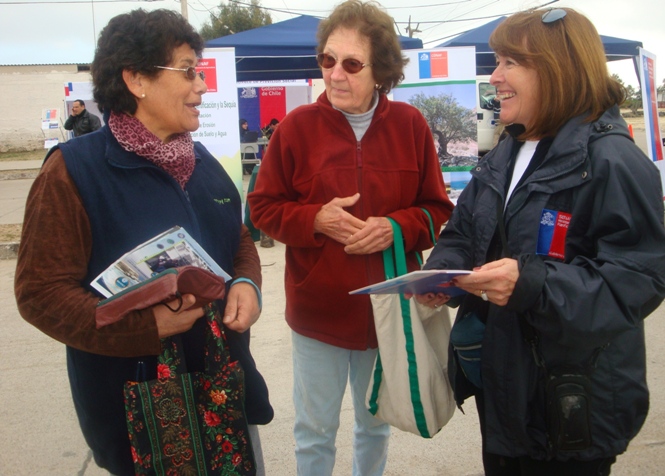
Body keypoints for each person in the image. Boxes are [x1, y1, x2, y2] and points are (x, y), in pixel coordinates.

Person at [14, 9, 273, 476]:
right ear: (136, 80)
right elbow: (40, 293)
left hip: (225, 392)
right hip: (138, 414)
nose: (202, 86)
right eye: (189, 71)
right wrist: (144, 328)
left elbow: (237, 242)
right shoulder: (73, 171)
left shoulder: (202, 160)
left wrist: (246, 284)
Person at [415, 8, 665, 475]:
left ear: (557, 68)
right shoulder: (506, 150)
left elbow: (639, 278)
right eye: (497, 60)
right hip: (505, 388)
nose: (495, 75)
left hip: (572, 400)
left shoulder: (612, 160)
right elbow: (465, 230)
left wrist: (530, 283)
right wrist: (444, 272)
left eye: (511, 61)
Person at [248, 1, 453, 474]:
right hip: (318, 314)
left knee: (375, 426)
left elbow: (438, 209)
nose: (335, 74)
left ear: (380, 71)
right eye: (326, 59)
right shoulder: (295, 129)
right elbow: (262, 208)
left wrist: (396, 227)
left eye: (351, 63)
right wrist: (314, 220)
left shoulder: (411, 126)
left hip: (387, 312)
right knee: (315, 433)